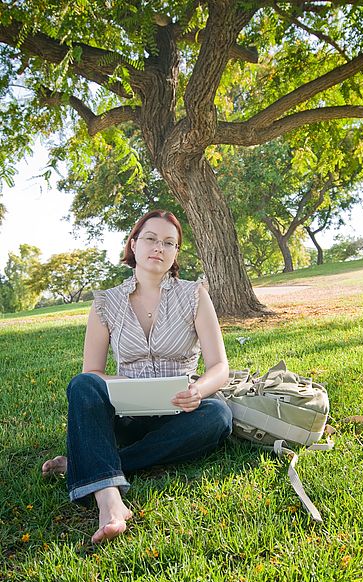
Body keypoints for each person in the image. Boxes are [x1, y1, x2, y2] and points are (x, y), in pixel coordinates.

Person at [42, 209, 232, 544]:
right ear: (134, 244)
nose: (159, 247)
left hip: (181, 413)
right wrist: (125, 386)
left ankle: (86, 467)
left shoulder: (194, 294)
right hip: (126, 415)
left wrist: (198, 391)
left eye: (169, 243)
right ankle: (109, 499)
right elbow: (94, 373)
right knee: (82, 385)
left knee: (218, 415)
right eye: (151, 238)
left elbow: (220, 368)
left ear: (175, 254)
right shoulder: (106, 303)